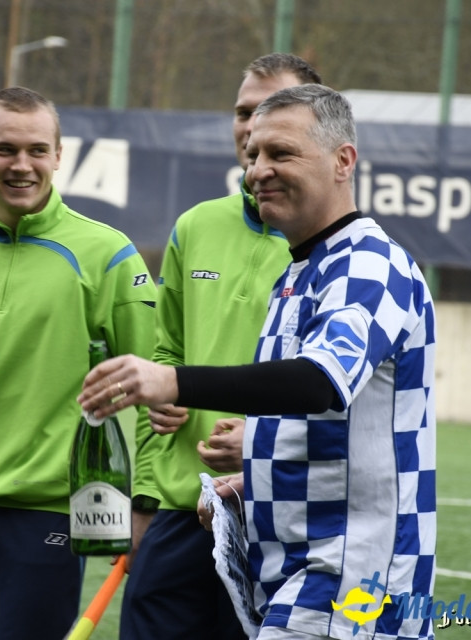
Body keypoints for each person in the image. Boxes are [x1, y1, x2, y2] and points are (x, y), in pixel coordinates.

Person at [80, 84, 437, 640]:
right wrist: (254, 482)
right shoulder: (298, 274)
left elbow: (317, 383)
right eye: (253, 155)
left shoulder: (370, 264)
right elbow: (326, 427)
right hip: (293, 571)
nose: (258, 170)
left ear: (343, 161)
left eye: (281, 153)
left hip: (352, 580)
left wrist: (170, 381)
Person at [0, 86, 157, 640]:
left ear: (59, 156)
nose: (22, 165)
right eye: (5, 149)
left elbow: (160, 389)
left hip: (50, 509)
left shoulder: (107, 254)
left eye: (37, 150)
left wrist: (144, 504)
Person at [123, 53, 322, 640]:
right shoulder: (194, 226)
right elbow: (166, 354)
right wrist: (145, 497)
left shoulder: (338, 251)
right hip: (180, 509)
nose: (252, 126)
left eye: (271, 110)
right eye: (242, 112)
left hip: (276, 518)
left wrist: (260, 443)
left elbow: (342, 396)